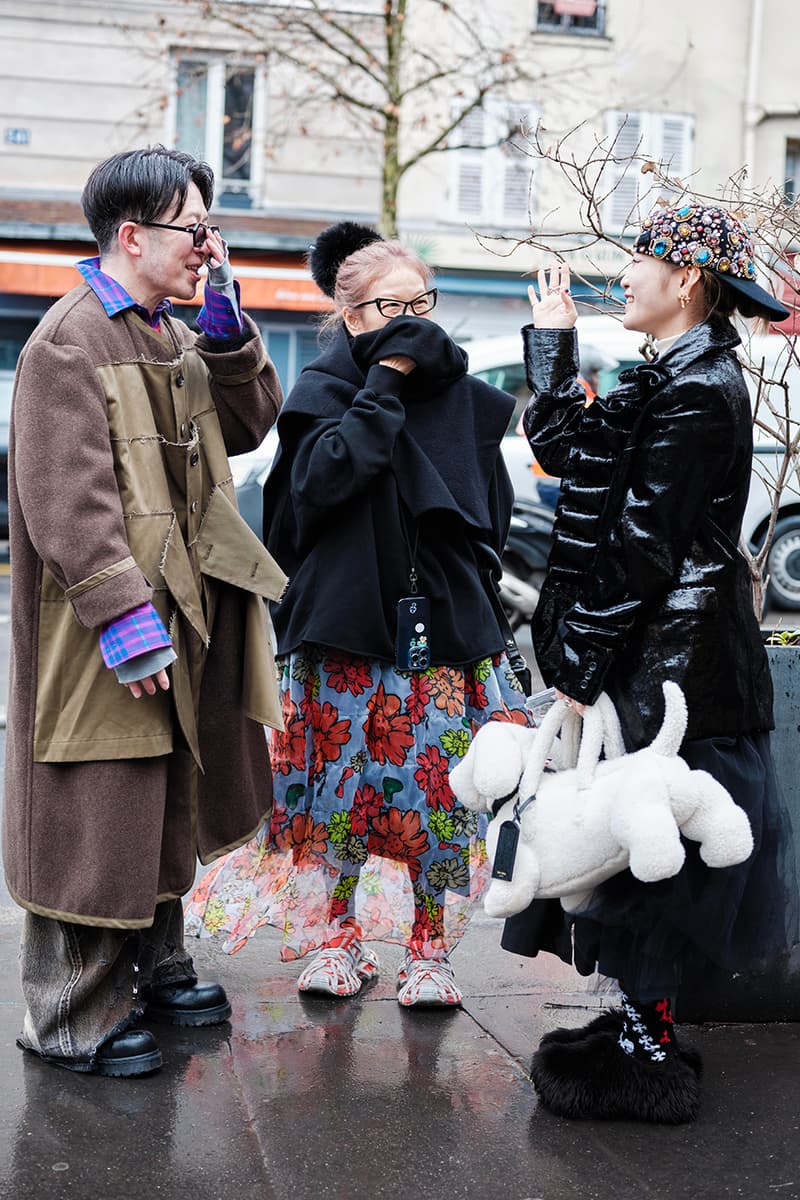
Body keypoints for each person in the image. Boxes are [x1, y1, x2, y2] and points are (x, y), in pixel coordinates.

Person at [503, 204, 799, 1122]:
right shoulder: (670, 372)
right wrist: (550, 350)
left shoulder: (702, 386)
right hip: (653, 649)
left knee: (655, 859)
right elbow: (567, 455)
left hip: (675, 662)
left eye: (640, 258)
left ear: (688, 283)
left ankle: (647, 1053)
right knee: (632, 851)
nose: (623, 273)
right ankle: (640, 1031)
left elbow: (644, 542)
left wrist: (580, 663)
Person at [186, 221, 531, 1006]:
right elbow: (318, 492)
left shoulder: (472, 404)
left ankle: (428, 952)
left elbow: (493, 517)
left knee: (441, 799)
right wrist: (386, 383)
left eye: (422, 303)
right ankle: (335, 938)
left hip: (442, 637)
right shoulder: (321, 395)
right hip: (342, 633)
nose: (410, 321)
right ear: (351, 317)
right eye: (389, 307)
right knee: (336, 797)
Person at [3, 146, 285, 1077]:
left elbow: (246, 430)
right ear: (133, 235)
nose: (210, 244)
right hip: (103, 633)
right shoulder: (69, 340)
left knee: (168, 797)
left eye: (210, 227)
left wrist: (229, 332)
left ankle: (153, 967)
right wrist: (122, 614)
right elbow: (65, 499)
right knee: (96, 816)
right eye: (194, 229)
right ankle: (68, 1016)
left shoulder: (167, 330)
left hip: (189, 610)